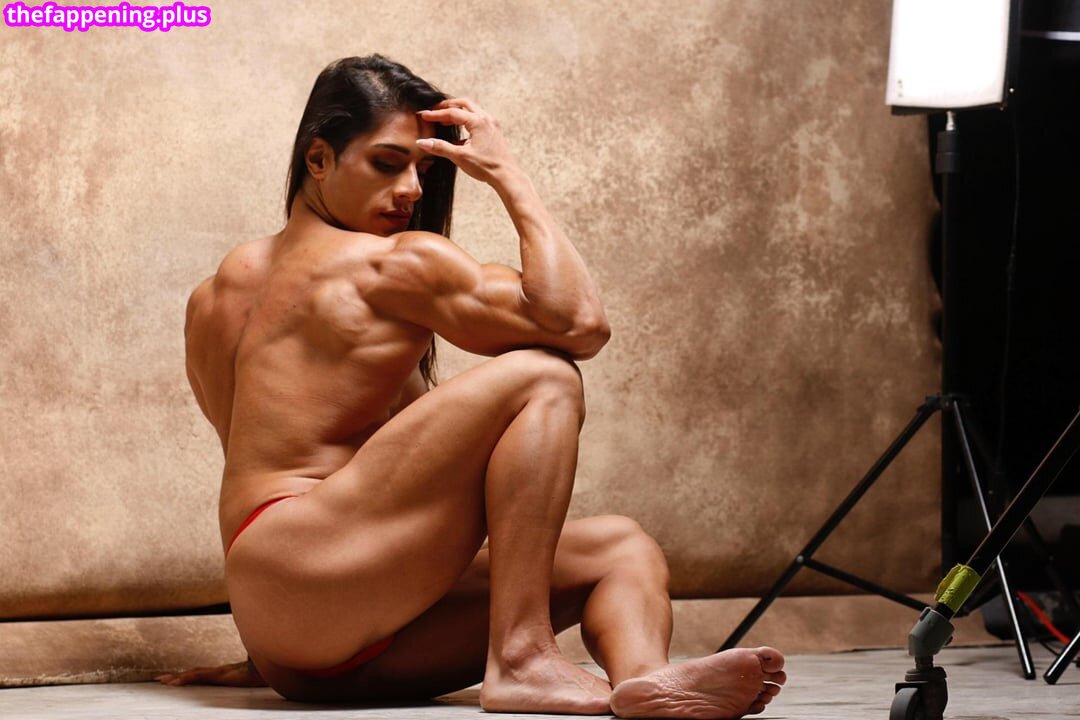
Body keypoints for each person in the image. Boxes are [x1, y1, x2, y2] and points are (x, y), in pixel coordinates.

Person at [165, 54, 786, 718]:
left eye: (424, 170)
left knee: (621, 547)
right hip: (317, 569)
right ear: (318, 159)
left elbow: (258, 465)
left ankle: (646, 684)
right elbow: (579, 323)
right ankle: (522, 658)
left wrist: (275, 634)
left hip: (291, 635)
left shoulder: (215, 295)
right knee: (545, 376)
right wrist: (507, 174)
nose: (411, 190)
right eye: (387, 163)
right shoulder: (389, 265)